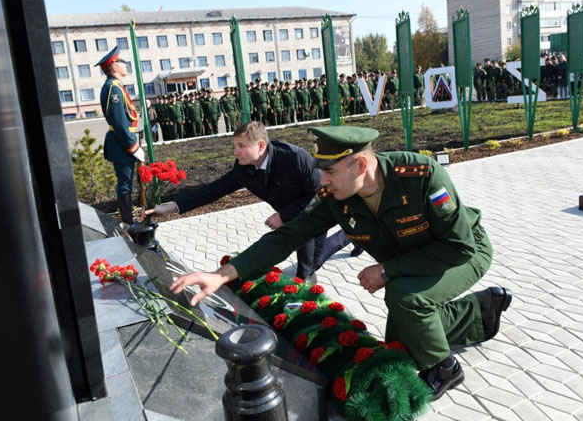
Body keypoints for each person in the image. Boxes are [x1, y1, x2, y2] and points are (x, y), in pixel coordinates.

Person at [171, 125, 512, 401]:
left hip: (462, 252)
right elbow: (288, 236)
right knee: (402, 343)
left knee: (405, 298)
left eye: (330, 171)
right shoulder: (338, 197)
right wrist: (222, 274)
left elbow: (458, 245)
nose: (322, 180)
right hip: (416, 261)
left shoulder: (420, 176)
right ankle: (482, 311)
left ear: (360, 165)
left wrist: (387, 271)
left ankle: (445, 368)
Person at [146, 121, 359, 279]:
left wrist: (283, 215)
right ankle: (346, 242)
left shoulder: (294, 158)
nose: (235, 152)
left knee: (310, 265)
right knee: (309, 263)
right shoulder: (243, 169)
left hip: (315, 211)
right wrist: (172, 207)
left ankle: (350, 236)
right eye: (234, 146)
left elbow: (319, 193)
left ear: (260, 145)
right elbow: (214, 189)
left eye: (240, 146)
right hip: (293, 220)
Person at [94, 46, 146, 225]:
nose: (125, 64)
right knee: (125, 184)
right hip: (121, 144)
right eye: (121, 62)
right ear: (114, 67)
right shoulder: (112, 88)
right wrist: (133, 147)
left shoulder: (116, 86)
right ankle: (128, 220)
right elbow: (119, 123)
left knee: (127, 183)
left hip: (124, 142)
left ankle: (129, 217)